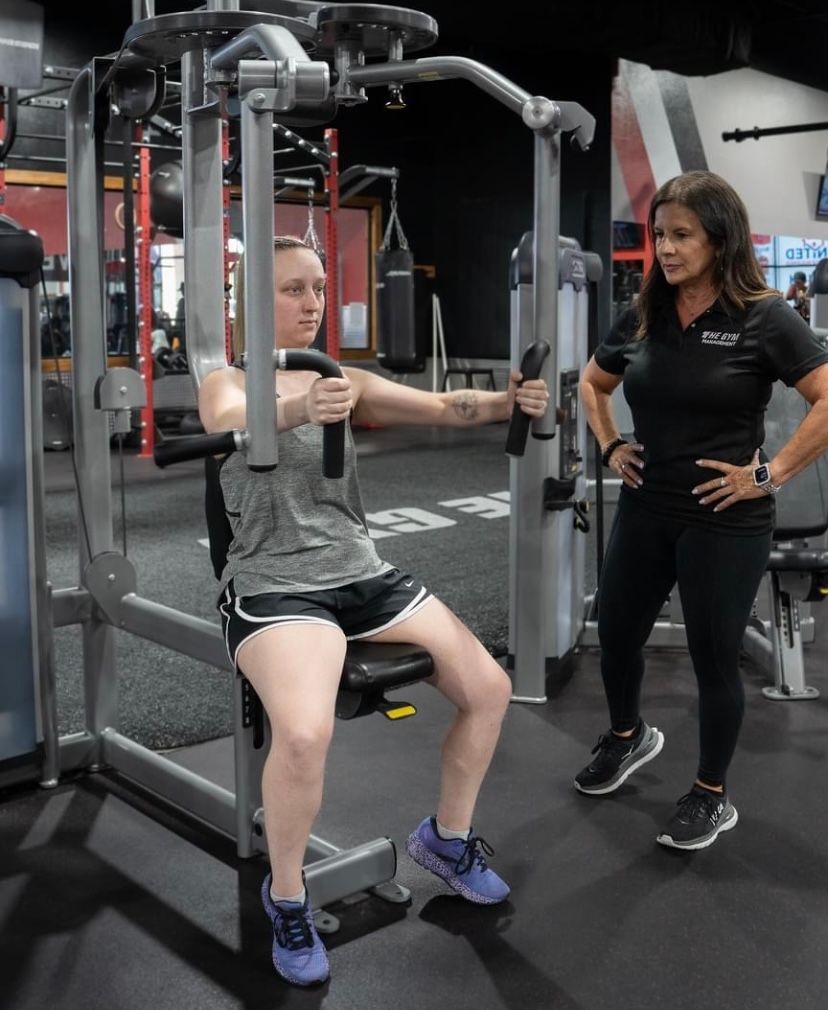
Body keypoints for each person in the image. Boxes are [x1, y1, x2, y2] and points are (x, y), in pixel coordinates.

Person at [198, 236, 550, 987]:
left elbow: (449, 408)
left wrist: (505, 398)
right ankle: (287, 897)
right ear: (250, 303)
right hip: (275, 585)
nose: (313, 303)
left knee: (489, 689)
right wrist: (300, 404)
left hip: (361, 573)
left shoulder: (344, 377)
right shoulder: (222, 380)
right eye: (294, 290)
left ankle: (447, 840)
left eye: (320, 288)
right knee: (302, 732)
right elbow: (235, 416)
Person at [575, 171, 828, 851]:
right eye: (660, 235)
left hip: (725, 514)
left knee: (712, 656)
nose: (666, 248)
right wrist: (609, 447)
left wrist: (767, 475)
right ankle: (627, 736)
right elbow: (592, 385)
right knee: (619, 632)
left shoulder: (764, 315)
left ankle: (711, 793)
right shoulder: (645, 314)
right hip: (647, 504)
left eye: (681, 235)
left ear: (720, 239)